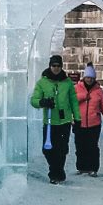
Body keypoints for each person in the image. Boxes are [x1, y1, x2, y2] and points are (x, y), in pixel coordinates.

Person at [30, 52, 80, 184]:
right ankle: (56, 170)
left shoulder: (67, 82)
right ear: (50, 66)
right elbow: (34, 100)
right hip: (50, 122)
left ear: (62, 66)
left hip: (64, 121)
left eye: (58, 65)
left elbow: (73, 101)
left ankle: (56, 174)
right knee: (48, 150)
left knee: (61, 149)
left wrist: (77, 118)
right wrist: (43, 102)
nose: (56, 68)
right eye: (54, 65)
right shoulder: (42, 82)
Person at [73, 63, 103, 175]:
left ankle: (93, 168)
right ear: (84, 77)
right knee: (80, 146)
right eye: (88, 77)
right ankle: (82, 167)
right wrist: (83, 97)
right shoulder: (76, 88)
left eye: (92, 78)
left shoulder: (98, 91)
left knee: (92, 147)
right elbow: (70, 102)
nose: (89, 80)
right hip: (79, 122)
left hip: (94, 124)